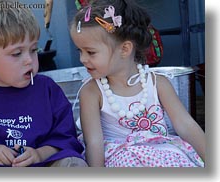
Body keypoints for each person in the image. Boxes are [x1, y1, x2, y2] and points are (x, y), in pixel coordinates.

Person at [70, 0, 205, 167]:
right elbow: (94, 143)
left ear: (125, 49)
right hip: (122, 159)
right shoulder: (92, 92)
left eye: (90, 52)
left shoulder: (158, 84)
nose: (82, 59)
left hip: (163, 155)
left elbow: (186, 126)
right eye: (80, 51)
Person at [0, 0, 87, 167]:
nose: (29, 60)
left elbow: (66, 138)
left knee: (73, 164)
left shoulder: (48, 90)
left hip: (43, 168)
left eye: (33, 50)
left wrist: (39, 154)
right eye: (17, 53)